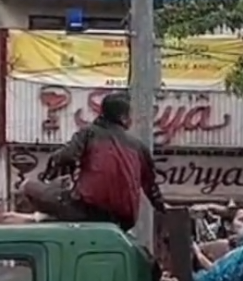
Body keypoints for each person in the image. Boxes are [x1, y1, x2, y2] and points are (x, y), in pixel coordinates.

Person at [17, 91, 166, 232]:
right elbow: (151, 188)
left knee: (28, 186)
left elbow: (64, 157)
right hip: (125, 219)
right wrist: (163, 208)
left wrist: (50, 175)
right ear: (124, 118)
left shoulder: (89, 133)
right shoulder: (139, 147)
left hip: (86, 210)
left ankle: (32, 220)